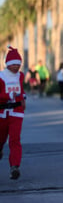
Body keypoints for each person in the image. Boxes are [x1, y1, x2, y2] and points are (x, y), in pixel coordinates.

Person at [0, 46, 26, 180]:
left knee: (15, 139)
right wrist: (8, 95)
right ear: (8, 64)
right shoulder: (1, 76)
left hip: (16, 113)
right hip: (2, 112)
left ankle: (14, 167)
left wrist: (23, 99)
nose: (16, 66)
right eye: (13, 64)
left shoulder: (21, 75)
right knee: (1, 139)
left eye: (18, 64)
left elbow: (21, 90)